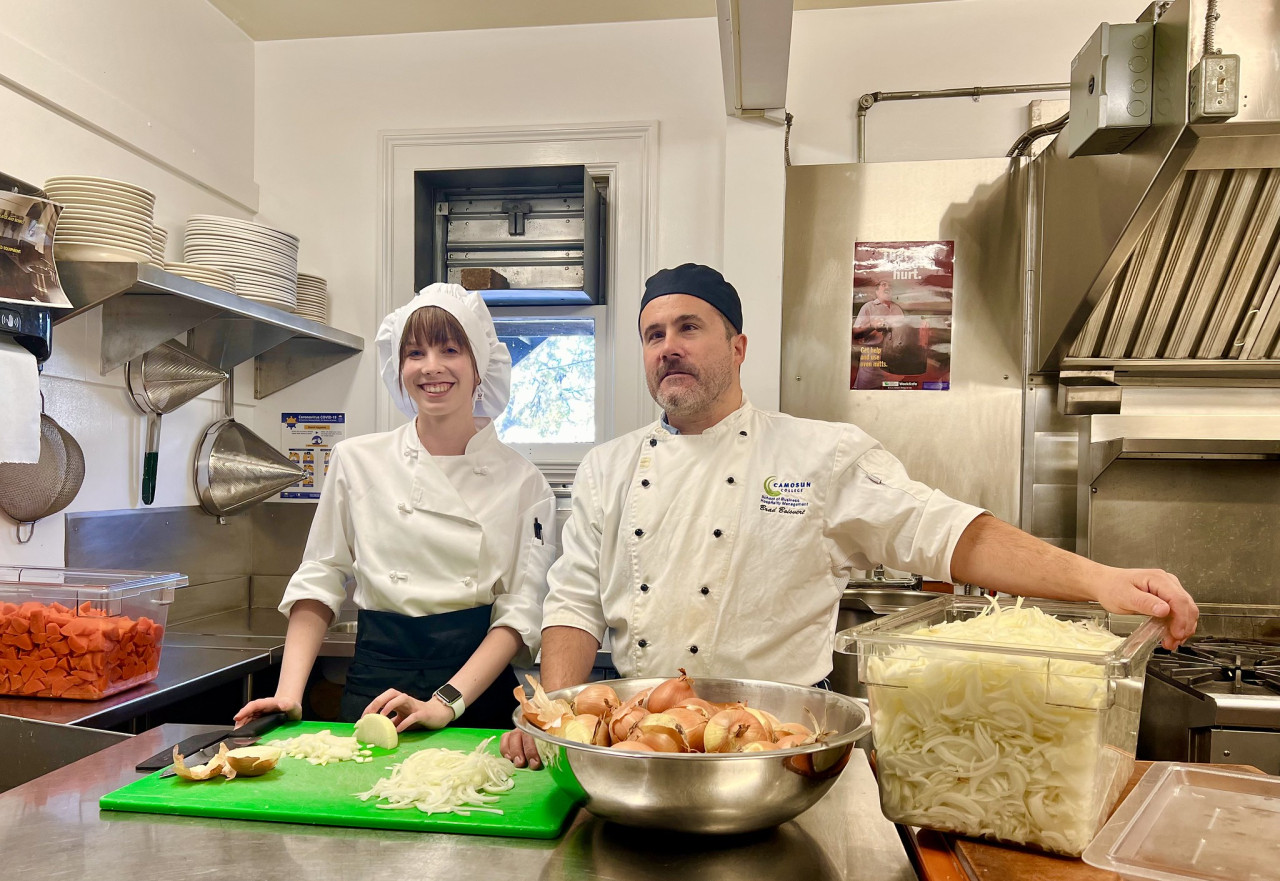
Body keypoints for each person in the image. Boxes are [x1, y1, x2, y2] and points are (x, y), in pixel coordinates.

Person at [501, 263, 1198, 768]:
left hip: (778, 748)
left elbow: (941, 530)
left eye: (689, 326)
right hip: (638, 744)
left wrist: (1098, 579)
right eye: (653, 334)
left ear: (738, 347)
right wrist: (557, 717)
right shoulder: (609, 466)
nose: (668, 346)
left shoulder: (819, 454)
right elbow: (575, 603)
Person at [236, 283, 556, 732]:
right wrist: (289, 694)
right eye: (414, 353)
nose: (431, 367)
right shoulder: (357, 460)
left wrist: (445, 702)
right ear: (398, 365)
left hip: (471, 699)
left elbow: (520, 612)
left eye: (450, 349)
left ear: (480, 366)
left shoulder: (525, 483)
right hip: (374, 691)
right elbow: (321, 574)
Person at [851, 279, 907, 389]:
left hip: (893, 362)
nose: (888, 287)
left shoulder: (897, 309)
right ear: (877, 291)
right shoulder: (868, 307)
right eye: (883, 284)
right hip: (872, 363)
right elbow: (855, 333)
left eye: (890, 286)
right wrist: (872, 325)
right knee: (866, 395)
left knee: (893, 398)